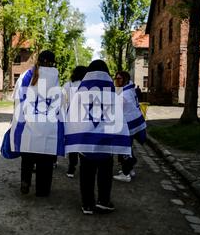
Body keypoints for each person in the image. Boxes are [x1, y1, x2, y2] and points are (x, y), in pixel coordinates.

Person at [65, 60, 132, 215]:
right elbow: (118, 116)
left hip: (86, 140)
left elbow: (72, 114)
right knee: (105, 171)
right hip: (106, 140)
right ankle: (103, 200)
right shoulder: (111, 92)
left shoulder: (81, 92)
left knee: (86, 172)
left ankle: (87, 204)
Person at [10, 50, 64, 197]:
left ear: (39, 60)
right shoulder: (55, 77)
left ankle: (25, 182)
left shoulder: (25, 75)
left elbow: (17, 98)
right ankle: (42, 189)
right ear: (52, 62)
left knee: (27, 157)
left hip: (28, 124)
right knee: (45, 159)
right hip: (48, 126)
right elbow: (59, 104)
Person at [113, 71, 147, 183]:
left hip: (129, 124)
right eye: (116, 78)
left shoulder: (124, 93)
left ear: (125, 80)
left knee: (123, 147)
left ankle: (126, 173)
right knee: (128, 146)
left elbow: (117, 109)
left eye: (119, 79)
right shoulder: (130, 88)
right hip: (136, 121)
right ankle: (130, 169)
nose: (117, 81)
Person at [62, 65, 88, 178]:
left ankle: (71, 168)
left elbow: (62, 100)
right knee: (83, 144)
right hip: (85, 119)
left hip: (71, 118)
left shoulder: (68, 85)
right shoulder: (89, 86)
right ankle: (84, 168)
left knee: (72, 143)